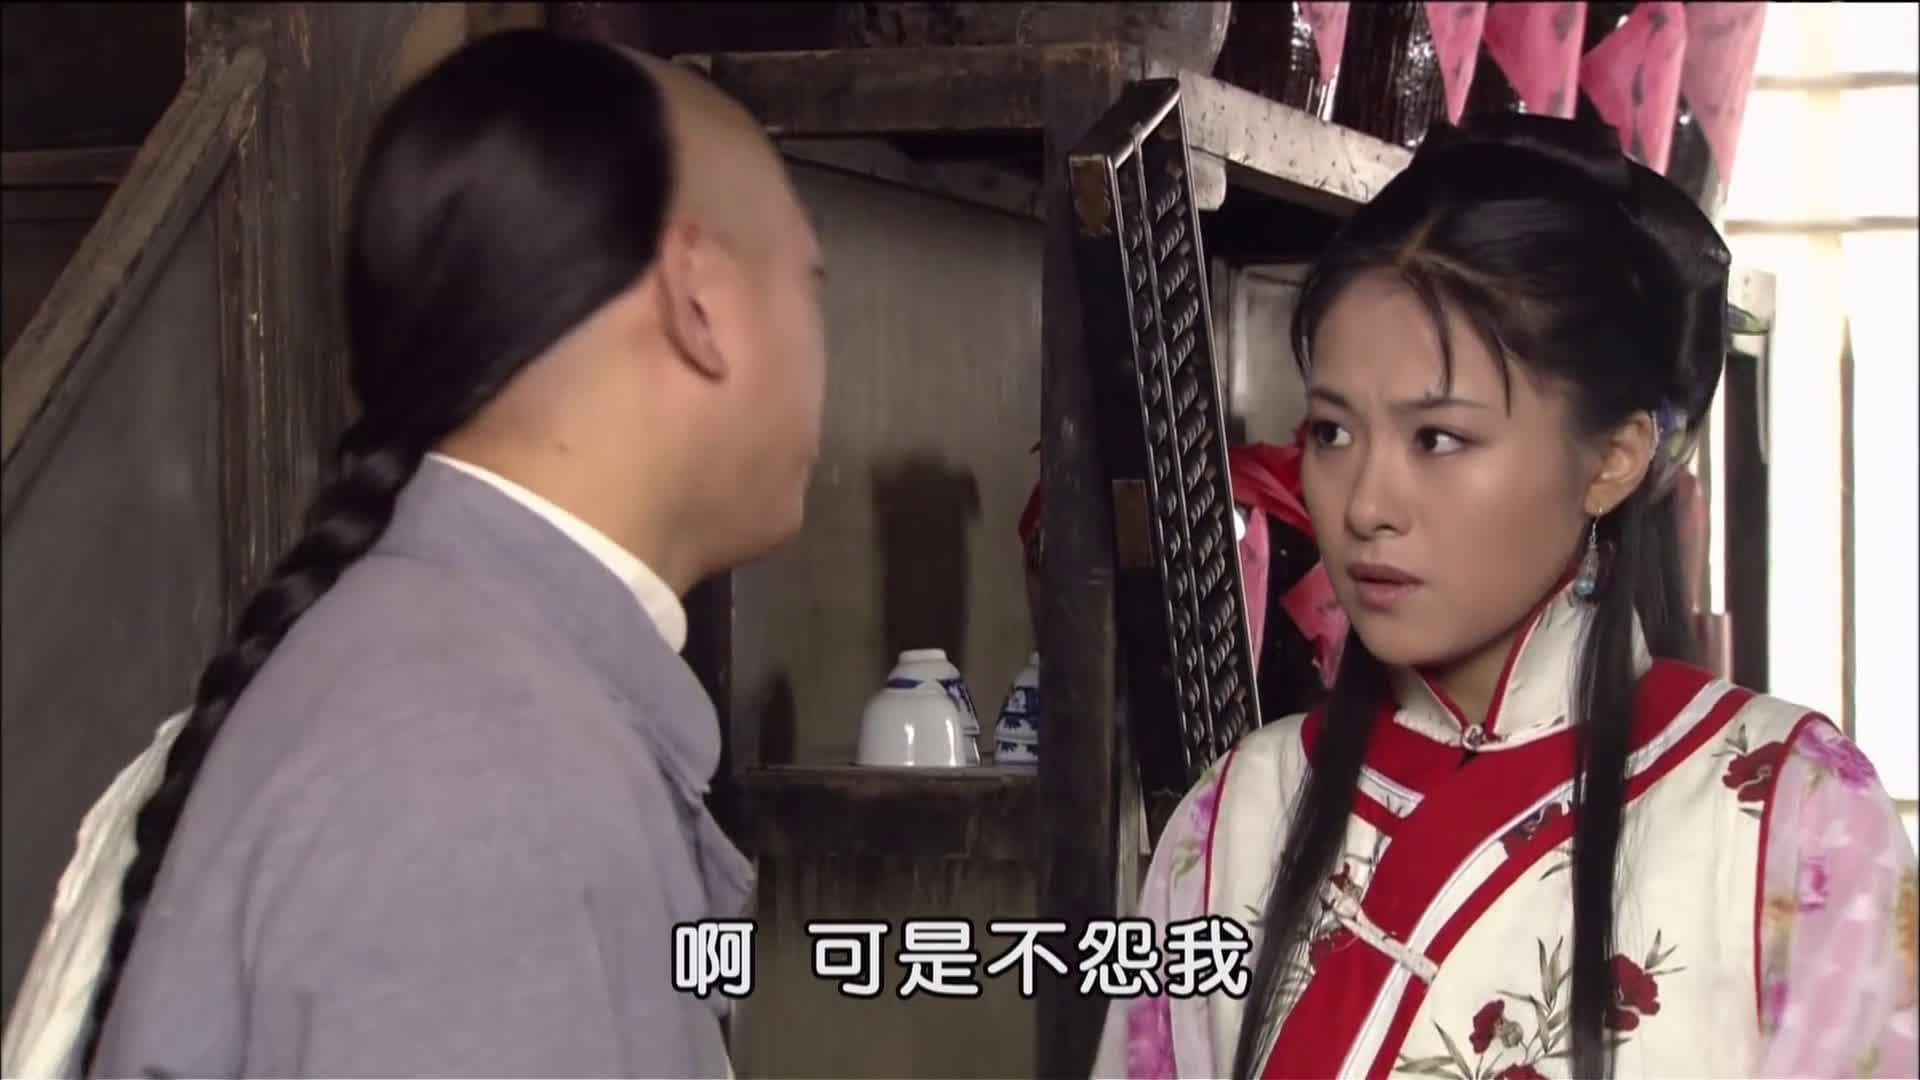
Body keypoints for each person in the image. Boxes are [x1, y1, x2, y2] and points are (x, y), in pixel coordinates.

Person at [1092, 114, 1917, 1080]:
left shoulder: (1796, 813)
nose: (1365, 506)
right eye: (1332, 433)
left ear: (1613, 459)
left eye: (1438, 439)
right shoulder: (1232, 814)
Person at [73, 28, 826, 1077]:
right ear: (696, 295)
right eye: (808, 282)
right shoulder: (476, 770)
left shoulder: (466, 690)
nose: (819, 341)